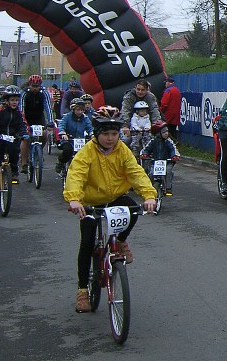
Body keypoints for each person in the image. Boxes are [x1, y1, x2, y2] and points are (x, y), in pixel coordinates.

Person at [63, 106, 156, 313]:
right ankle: (82, 290)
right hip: (90, 202)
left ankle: (121, 241)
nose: (110, 138)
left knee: (133, 209)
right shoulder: (87, 152)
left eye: (114, 134)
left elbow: (136, 173)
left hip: (114, 198)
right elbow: (76, 175)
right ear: (97, 134)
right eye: (105, 134)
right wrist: (74, 200)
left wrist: (149, 195)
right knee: (87, 243)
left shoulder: (123, 151)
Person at [0, 85, 28, 193]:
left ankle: (14, 172)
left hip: (12, 138)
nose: (15, 102)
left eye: (17, 100)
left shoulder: (19, 113)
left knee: (14, 151)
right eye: (12, 100)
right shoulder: (0, 111)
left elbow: (23, 125)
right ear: (6, 101)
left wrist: (23, 134)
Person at [19, 74, 54, 174]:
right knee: (25, 138)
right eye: (33, 86)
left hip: (39, 118)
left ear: (40, 86)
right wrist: (22, 122)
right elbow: (21, 108)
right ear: (29, 85)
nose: (35, 88)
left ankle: (38, 153)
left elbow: (48, 108)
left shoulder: (44, 93)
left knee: (44, 135)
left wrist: (50, 121)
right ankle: (24, 163)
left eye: (37, 86)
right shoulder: (24, 93)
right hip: (27, 118)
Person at [140, 119, 179, 196]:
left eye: (167, 131)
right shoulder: (152, 141)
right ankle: (150, 188)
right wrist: (144, 154)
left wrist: (174, 156)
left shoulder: (168, 141)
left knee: (168, 171)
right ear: (158, 133)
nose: (166, 134)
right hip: (155, 161)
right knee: (151, 173)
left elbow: (173, 149)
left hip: (167, 161)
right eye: (164, 132)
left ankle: (168, 188)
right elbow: (146, 149)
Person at [56, 98, 93, 174]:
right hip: (68, 140)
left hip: (80, 140)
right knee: (67, 151)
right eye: (78, 110)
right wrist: (63, 133)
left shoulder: (85, 118)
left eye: (82, 110)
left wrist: (92, 134)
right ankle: (61, 162)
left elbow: (89, 127)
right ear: (73, 109)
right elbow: (62, 125)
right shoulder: (67, 117)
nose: (80, 112)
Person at [159, 76, 181, 144]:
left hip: (168, 114)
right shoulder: (177, 90)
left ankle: (171, 143)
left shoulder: (168, 90)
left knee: (166, 130)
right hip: (176, 114)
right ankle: (175, 143)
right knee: (173, 129)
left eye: (166, 82)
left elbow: (164, 104)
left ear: (168, 83)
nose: (165, 84)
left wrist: (159, 110)